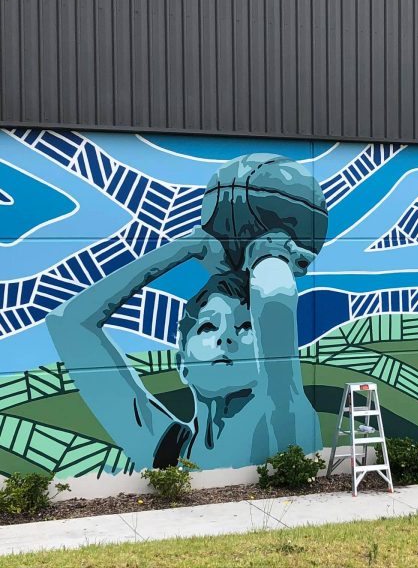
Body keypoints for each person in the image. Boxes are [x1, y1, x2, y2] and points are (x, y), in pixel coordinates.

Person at [45, 155, 325, 471]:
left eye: (246, 326)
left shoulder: (284, 412)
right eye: (207, 328)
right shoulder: (165, 448)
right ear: (182, 363)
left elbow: (274, 298)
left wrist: (269, 252)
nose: (227, 339)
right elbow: (69, 322)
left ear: (265, 351)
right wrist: (188, 246)